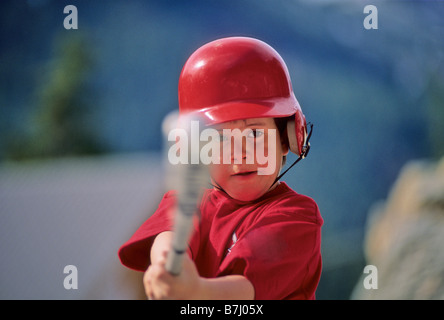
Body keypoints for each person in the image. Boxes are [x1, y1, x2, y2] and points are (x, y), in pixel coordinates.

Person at [118, 37, 323, 300]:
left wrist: (195, 291)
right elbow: (168, 235)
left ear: (287, 138)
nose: (240, 153)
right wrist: (166, 266)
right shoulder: (189, 204)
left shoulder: (297, 216)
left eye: (255, 133)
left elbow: (243, 292)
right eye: (220, 138)